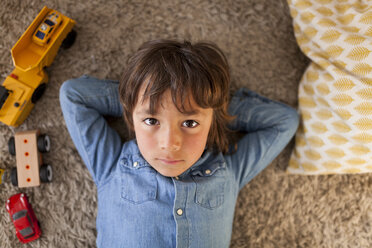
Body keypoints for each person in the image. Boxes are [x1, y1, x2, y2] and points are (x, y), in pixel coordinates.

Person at [59, 39, 299, 248]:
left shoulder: (228, 172)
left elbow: (283, 121)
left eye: (190, 123)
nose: (169, 143)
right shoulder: (111, 165)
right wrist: (138, 97)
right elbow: (74, 94)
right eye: (151, 120)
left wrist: (213, 105)